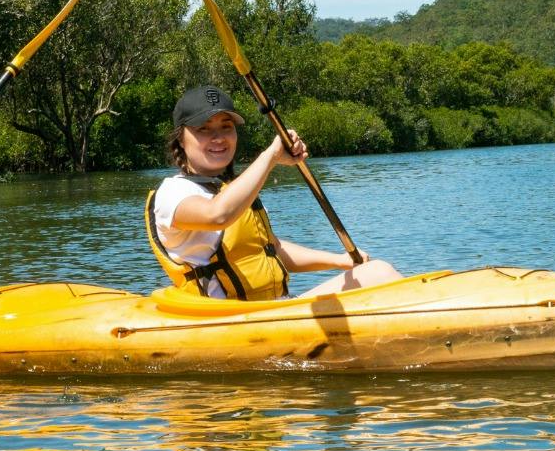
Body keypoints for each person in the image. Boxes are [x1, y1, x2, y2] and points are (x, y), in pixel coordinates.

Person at [146, 85, 401, 300]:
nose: (219, 137)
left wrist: (340, 261)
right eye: (204, 129)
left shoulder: (234, 191)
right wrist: (272, 156)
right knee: (380, 272)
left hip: (273, 311)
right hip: (227, 321)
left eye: (226, 127)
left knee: (372, 274)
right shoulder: (172, 192)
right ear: (181, 139)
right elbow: (217, 215)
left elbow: (272, 250)